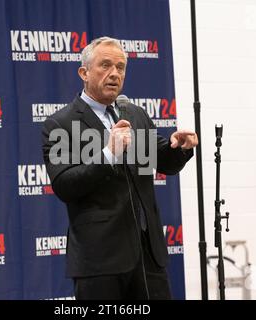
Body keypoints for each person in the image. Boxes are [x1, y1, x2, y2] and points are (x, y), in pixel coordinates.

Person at [42, 36, 198, 300]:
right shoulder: (61, 123)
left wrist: (178, 148)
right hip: (99, 261)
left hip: (148, 256)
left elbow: (162, 162)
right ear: (84, 72)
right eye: (105, 65)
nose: (114, 73)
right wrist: (108, 154)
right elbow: (65, 185)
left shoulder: (134, 114)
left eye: (121, 67)